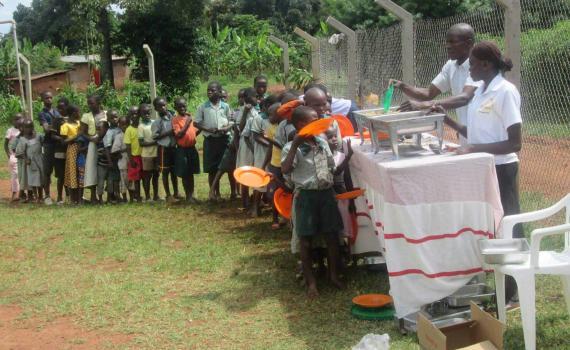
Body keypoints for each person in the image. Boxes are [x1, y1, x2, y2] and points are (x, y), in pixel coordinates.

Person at [439, 41, 523, 305]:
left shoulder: (505, 92)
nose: (470, 70)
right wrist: (447, 119)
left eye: (473, 65)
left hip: (502, 169)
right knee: (490, 228)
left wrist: (473, 148)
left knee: (508, 227)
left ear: (486, 65)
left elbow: (514, 142)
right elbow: (473, 134)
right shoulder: (480, 90)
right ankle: (498, 284)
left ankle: (513, 290)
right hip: (482, 169)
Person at [281, 106, 344, 298]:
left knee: (332, 237)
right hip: (306, 197)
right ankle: (311, 282)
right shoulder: (291, 147)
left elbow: (331, 167)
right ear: (301, 124)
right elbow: (285, 169)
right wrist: (294, 145)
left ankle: (333, 275)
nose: (319, 120)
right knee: (305, 241)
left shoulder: (322, 143)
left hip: (325, 194)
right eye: (314, 119)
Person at [390, 23, 480, 143]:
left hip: (484, 136)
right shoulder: (451, 65)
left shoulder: (479, 66)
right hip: (466, 134)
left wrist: (424, 105)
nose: (448, 46)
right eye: (447, 42)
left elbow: (464, 98)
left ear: (468, 43)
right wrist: (401, 85)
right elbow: (428, 93)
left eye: (453, 42)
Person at [194, 82, 233, 200]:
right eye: (208, 90)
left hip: (223, 139)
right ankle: (214, 194)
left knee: (225, 166)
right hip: (210, 140)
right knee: (212, 168)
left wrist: (225, 128)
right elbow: (196, 122)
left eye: (212, 90)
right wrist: (208, 129)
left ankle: (231, 193)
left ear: (220, 92)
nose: (209, 92)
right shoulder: (203, 107)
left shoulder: (225, 106)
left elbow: (231, 121)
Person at [172, 98, 200, 203]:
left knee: (191, 172)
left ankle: (192, 195)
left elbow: (194, 131)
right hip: (182, 150)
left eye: (184, 106)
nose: (182, 108)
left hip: (191, 148)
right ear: (176, 108)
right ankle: (188, 196)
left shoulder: (189, 117)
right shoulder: (175, 120)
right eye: (180, 106)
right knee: (185, 173)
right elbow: (179, 134)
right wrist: (187, 123)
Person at [152, 97, 180, 201]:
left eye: (164, 105)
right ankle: (168, 195)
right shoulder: (157, 122)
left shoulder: (173, 117)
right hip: (164, 149)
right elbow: (155, 137)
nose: (163, 108)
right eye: (160, 106)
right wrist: (169, 132)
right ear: (156, 109)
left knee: (174, 171)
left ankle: (176, 193)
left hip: (173, 147)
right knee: (165, 172)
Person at [264, 102, 286, 229]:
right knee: (273, 192)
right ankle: (275, 218)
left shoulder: (285, 127)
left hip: (284, 164)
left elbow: (283, 146)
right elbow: (270, 147)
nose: (269, 118)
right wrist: (264, 164)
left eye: (271, 115)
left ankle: (285, 216)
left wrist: (270, 140)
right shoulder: (271, 127)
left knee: (285, 191)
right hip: (274, 164)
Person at [81, 94, 107, 203]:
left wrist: (101, 137)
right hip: (92, 144)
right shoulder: (86, 116)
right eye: (88, 103)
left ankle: (111, 194)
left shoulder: (106, 114)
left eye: (92, 103)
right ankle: (92, 196)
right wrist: (92, 139)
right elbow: (83, 132)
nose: (90, 105)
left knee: (106, 168)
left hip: (105, 143)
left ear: (98, 103)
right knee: (91, 169)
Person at [235, 88, 258, 209]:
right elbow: (240, 127)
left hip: (255, 143)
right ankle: (245, 201)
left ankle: (254, 199)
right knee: (245, 171)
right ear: (247, 98)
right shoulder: (241, 110)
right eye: (254, 96)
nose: (256, 99)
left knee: (255, 170)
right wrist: (245, 111)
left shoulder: (256, 110)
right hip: (246, 144)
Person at [37, 91, 61, 205]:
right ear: (43, 100)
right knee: (47, 170)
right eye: (47, 98)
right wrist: (56, 127)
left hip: (59, 144)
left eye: (51, 97)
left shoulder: (57, 111)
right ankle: (47, 195)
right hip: (49, 145)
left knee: (60, 171)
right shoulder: (42, 113)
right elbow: (46, 129)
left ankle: (61, 196)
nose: (49, 100)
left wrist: (54, 127)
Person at [17, 119, 44, 203]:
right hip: (31, 163)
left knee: (41, 179)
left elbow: (44, 144)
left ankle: (41, 196)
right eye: (27, 127)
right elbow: (19, 153)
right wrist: (26, 159)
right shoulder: (22, 139)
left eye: (31, 126)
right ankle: (35, 197)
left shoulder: (39, 136)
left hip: (40, 161)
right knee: (33, 180)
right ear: (23, 128)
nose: (29, 128)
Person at [61, 105, 83, 204]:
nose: (80, 114)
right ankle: (73, 199)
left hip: (81, 149)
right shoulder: (65, 126)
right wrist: (76, 136)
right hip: (72, 149)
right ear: (74, 113)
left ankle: (80, 197)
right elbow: (64, 141)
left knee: (80, 172)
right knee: (72, 172)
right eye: (79, 112)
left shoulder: (79, 123)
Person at [138, 104, 159, 202]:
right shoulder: (141, 127)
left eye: (148, 113)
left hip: (156, 154)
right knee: (147, 177)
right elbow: (141, 143)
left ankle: (156, 195)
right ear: (140, 114)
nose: (147, 115)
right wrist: (154, 142)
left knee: (156, 175)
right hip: (147, 155)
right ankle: (147, 197)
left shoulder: (154, 123)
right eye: (144, 113)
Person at [52, 97, 70, 204]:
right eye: (59, 108)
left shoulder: (73, 119)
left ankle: (68, 195)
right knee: (60, 175)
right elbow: (53, 135)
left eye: (62, 108)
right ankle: (59, 196)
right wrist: (62, 139)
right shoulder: (56, 121)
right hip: (59, 150)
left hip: (70, 150)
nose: (60, 110)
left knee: (69, 173)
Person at [125, 110, 143, 202]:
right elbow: (128, 147)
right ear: (129, 116)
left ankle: (143, 195)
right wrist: (131, 160)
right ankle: (136, 196)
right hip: (134, 157)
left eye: (136, 113)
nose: (134, 116)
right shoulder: (129, 130)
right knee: (135, 178)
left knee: (143, 177)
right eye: (132, 114)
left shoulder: (142, 126)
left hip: (143, 156)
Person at [5, 114, 23, 202]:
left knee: (22, 175)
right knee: (15, 175)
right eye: (16, 119)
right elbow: (6, 144)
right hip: (14, 156)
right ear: (13, 121)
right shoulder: (10, 130)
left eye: (20, 119)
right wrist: (9, 154)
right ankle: (14, 194)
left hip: (23, 155)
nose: (19, 121)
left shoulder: (24, 130)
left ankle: (23, 194)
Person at [111, 117, 130, 203]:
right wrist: (125, 150)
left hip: (131, 161)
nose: (125, 126)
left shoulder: (131, 134)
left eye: (126, 124)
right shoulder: (119, 136)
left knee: (131, 180)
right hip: (123, 161)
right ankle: (125, 197)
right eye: (122, 124)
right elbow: (114, 150)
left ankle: (133, 196)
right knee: (123, 180)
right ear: (119, 125)